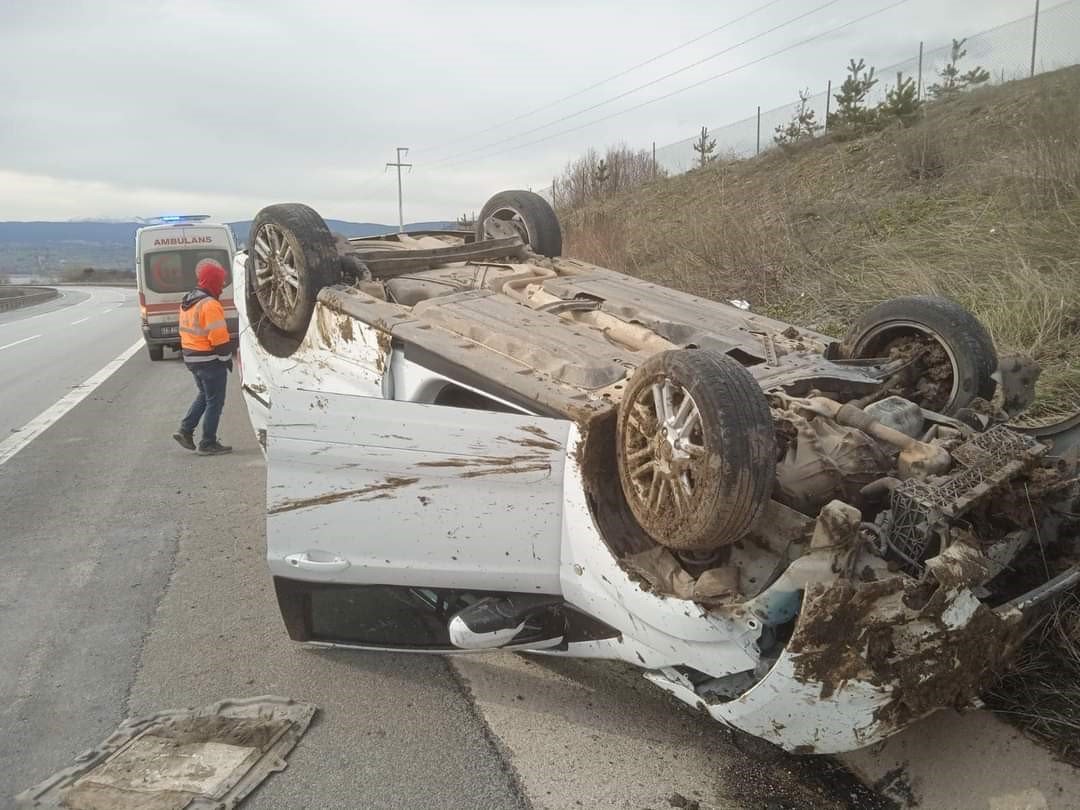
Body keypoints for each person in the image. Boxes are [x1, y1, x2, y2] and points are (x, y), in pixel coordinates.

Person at [172, 258, 235, 455]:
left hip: (192, 358)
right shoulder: (209, 305)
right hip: (209, 360)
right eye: (221, 282)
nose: (222, 287)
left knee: (205, 395)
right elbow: (218, 337)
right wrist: (226, 358)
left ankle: (185, 430)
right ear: (213, 282)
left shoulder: (189, 301)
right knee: (215, 401)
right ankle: (208, 443)